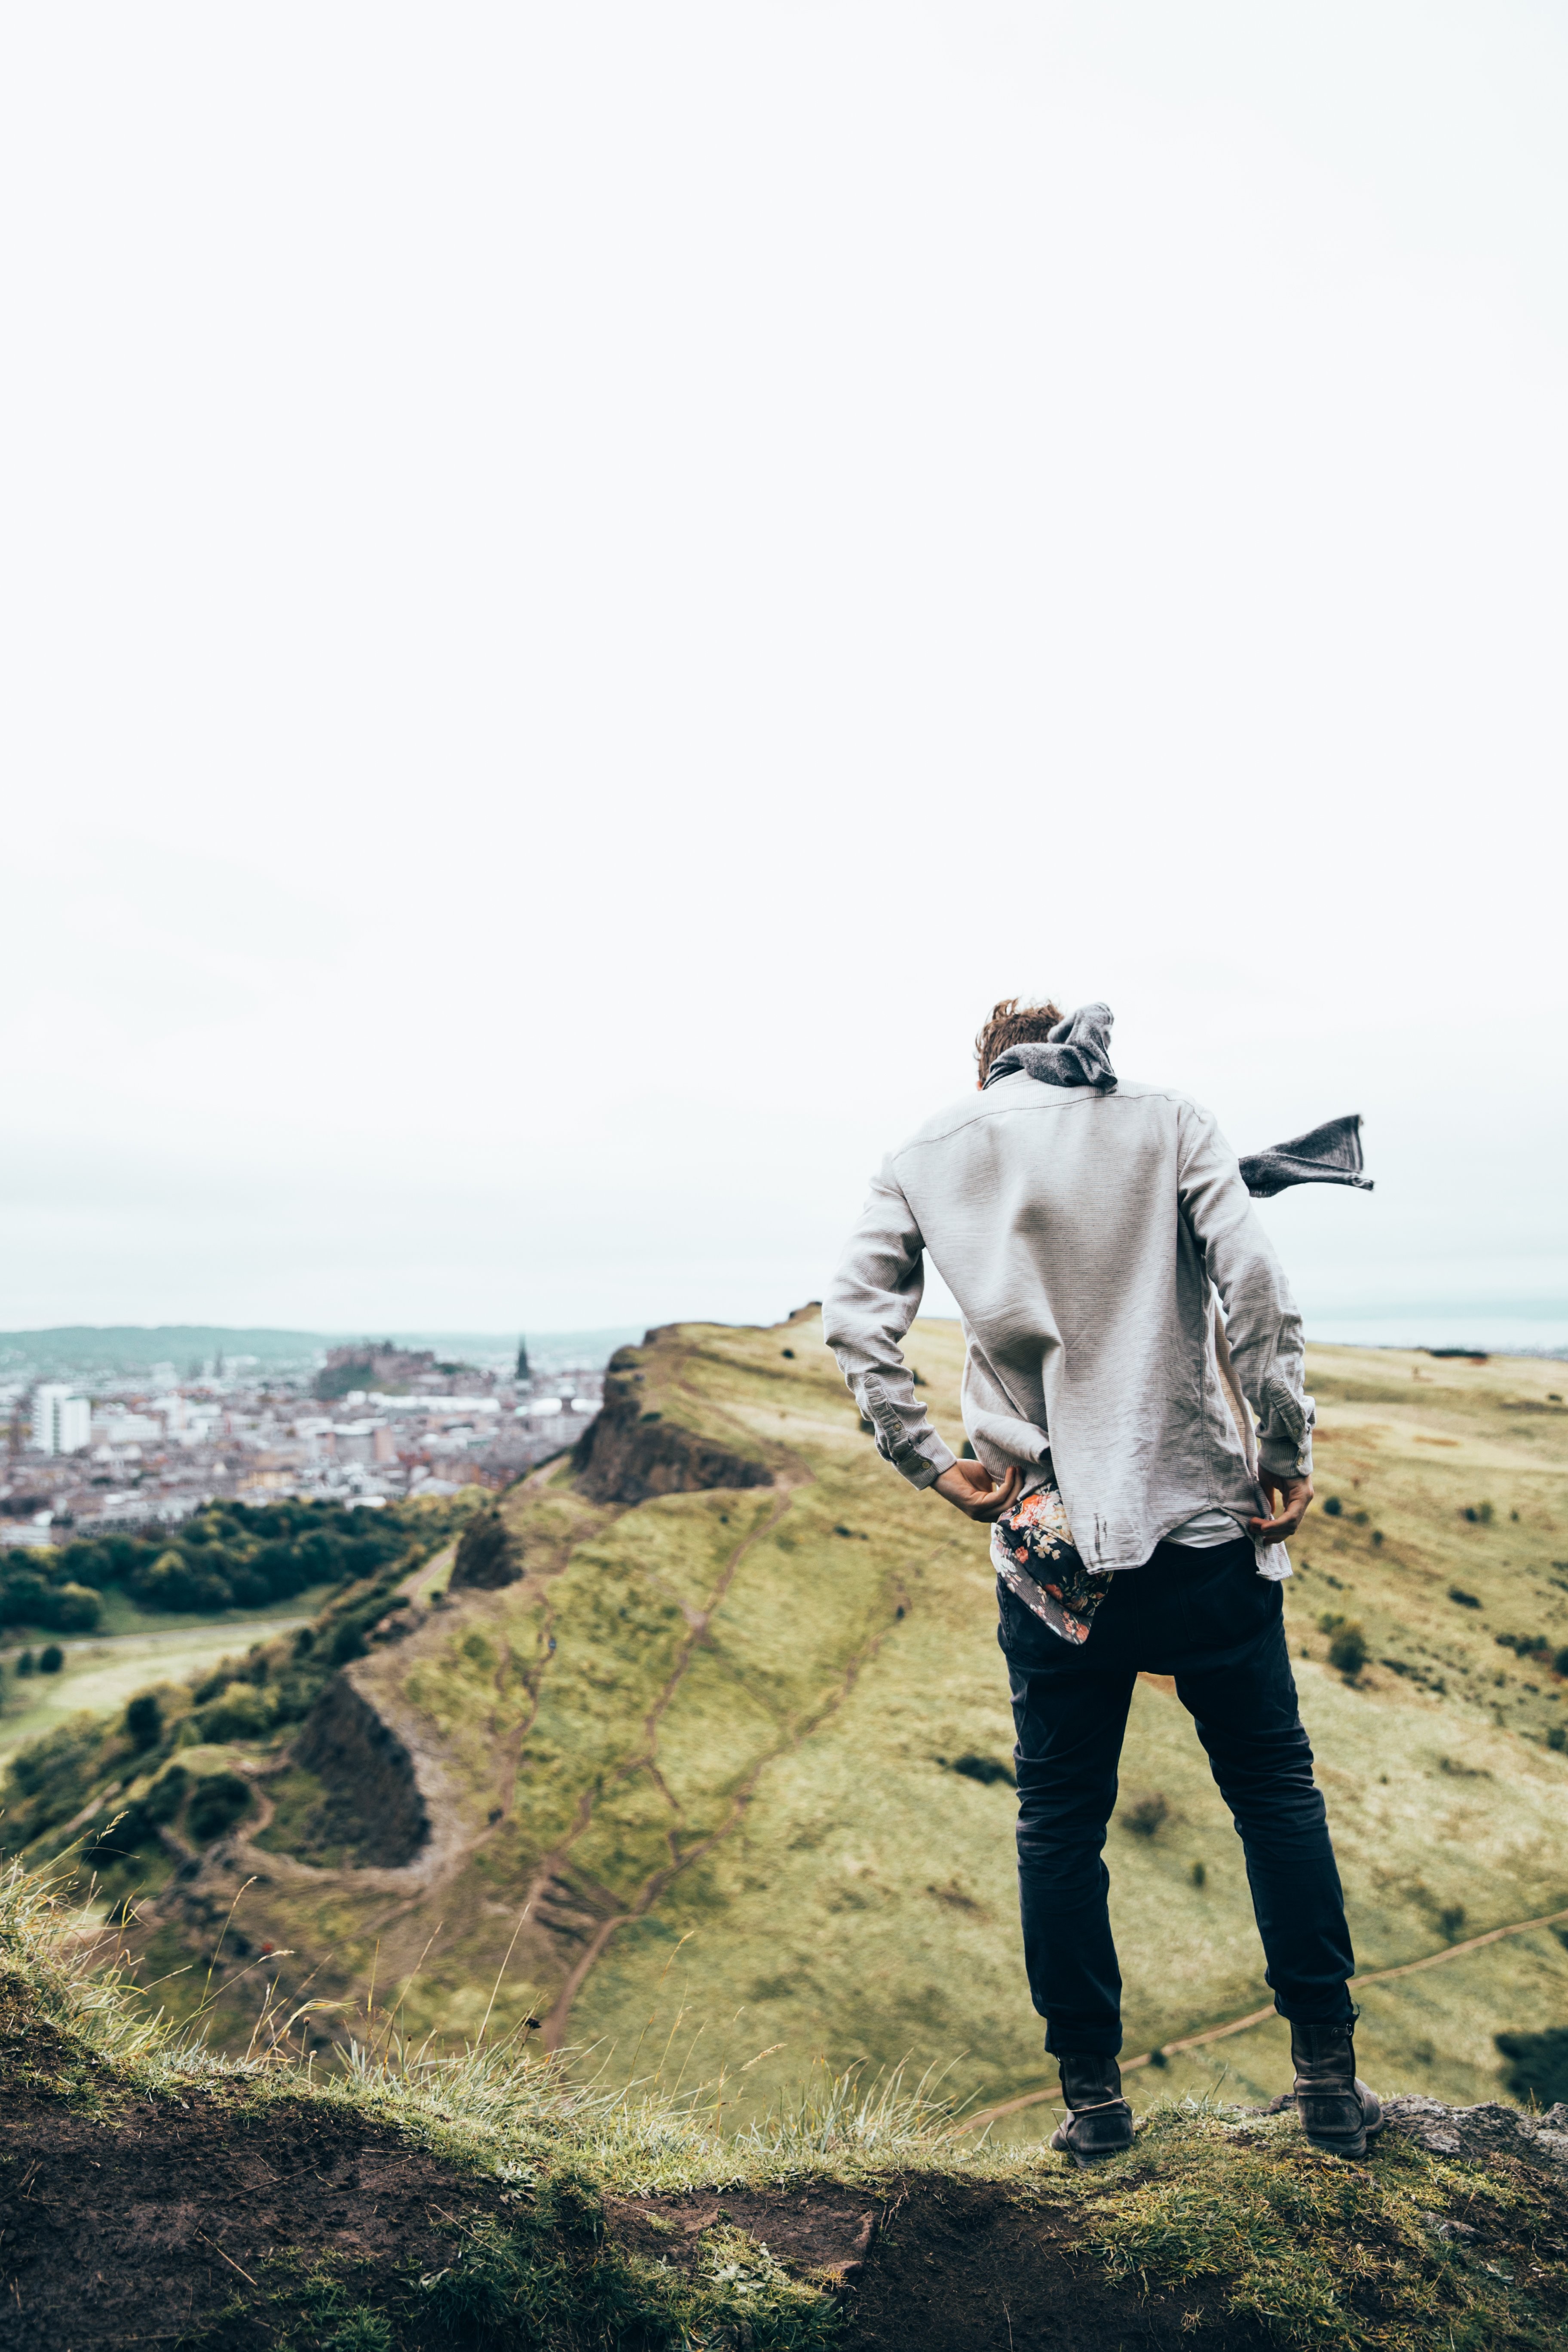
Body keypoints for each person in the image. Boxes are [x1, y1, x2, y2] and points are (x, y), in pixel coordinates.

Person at [823, 997, 1383, 2162]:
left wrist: (926, 1460)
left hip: (1050, 1549)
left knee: (1058, 1824)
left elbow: (857, 1326)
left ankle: (1094, 2110)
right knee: (1275, 1794)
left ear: (988, 1071)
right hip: (1202, 1526)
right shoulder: (1168, 1122)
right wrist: (1284, 1454)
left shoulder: (925, 1155)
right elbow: (1259, 1294)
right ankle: (1329, 2084)